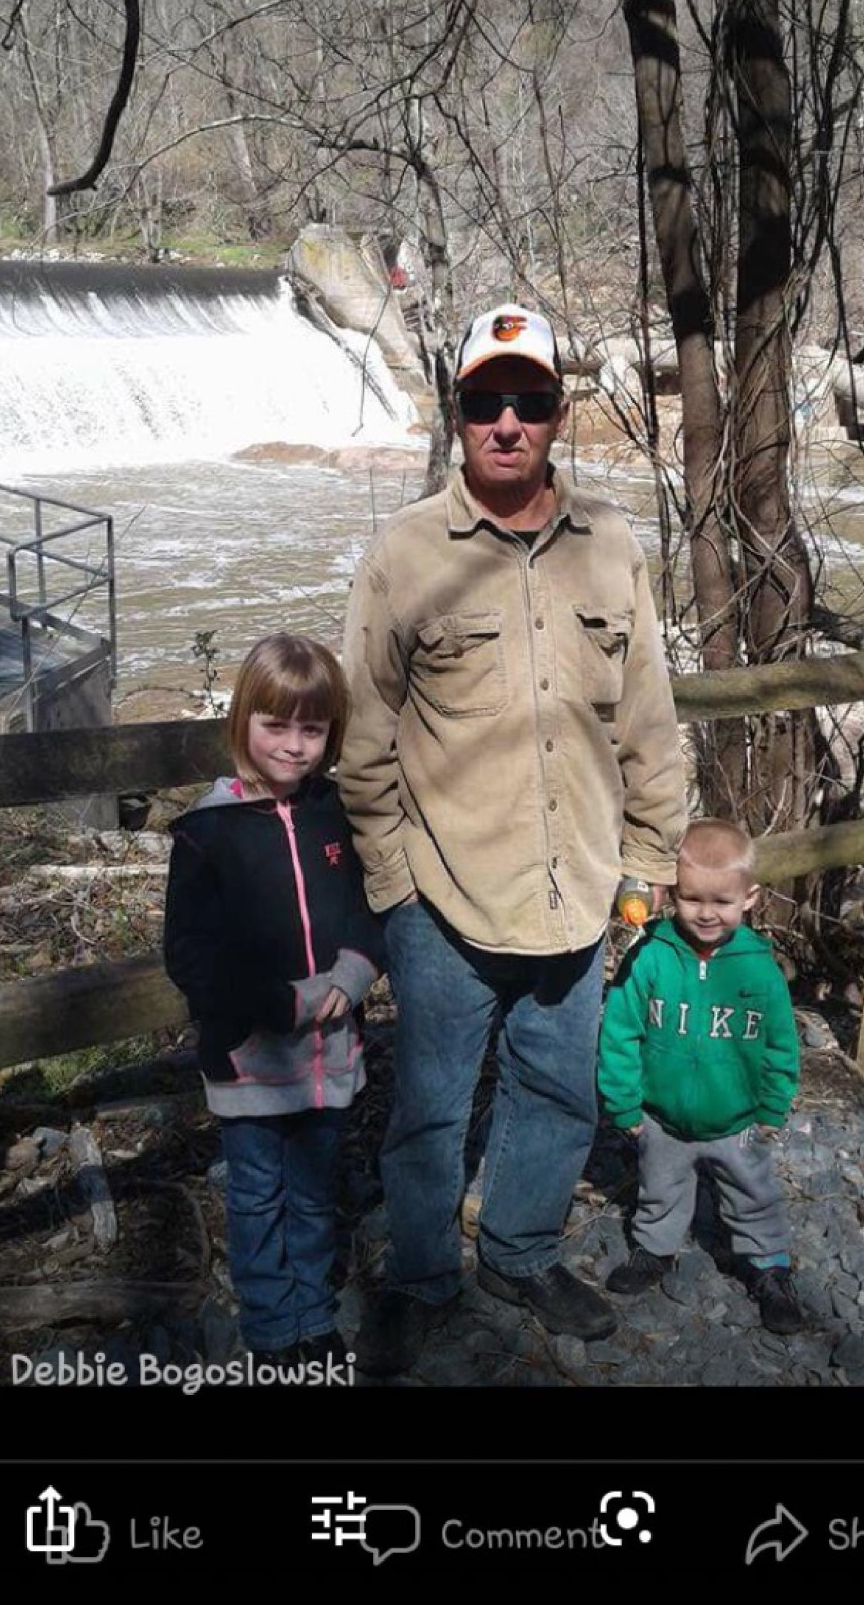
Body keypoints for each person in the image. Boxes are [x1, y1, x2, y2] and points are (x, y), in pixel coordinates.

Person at [338, 303, 687, 1375]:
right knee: (428, 1109)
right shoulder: (405, 553)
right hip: (442, 895)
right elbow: (362, 734)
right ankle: (418, 1280)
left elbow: (648, 719)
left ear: (556, 414)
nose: (505, 422)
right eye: (485, 401)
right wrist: (394, 884)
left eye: (527, 400)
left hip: (578, 888)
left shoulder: (611, 545)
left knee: (557, 1088)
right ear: (457, 414)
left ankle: (521, 1252)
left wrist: (647, 863)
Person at [164, 633, 381, 1370]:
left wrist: (354, 972)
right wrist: (279, 1005)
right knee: (257, 1195)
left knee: (315, 1191)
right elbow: (190, 956)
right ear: (242, 722)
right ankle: (270, 1329)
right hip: (250, 1055)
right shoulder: (207, 833)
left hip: (330, 1052)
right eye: (276, 725)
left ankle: (312, 1314)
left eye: (312, 729)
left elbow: (366, 908)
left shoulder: (333, 813)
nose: (293, 745)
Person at [597, 816, 806, 1334]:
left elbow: (782, 1045)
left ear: (749, 897)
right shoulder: (650, 957)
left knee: (752, 1194)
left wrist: (772, 1107)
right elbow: (619, 1031)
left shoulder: (759, 970)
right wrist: (624, 1103)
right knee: (659, 1188)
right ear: (672, 893)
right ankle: (655, 1249)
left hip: (738, 1121)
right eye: (691, 899)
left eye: (721, 901)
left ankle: (769, 1268)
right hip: (662, 1118)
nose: (706, 913)